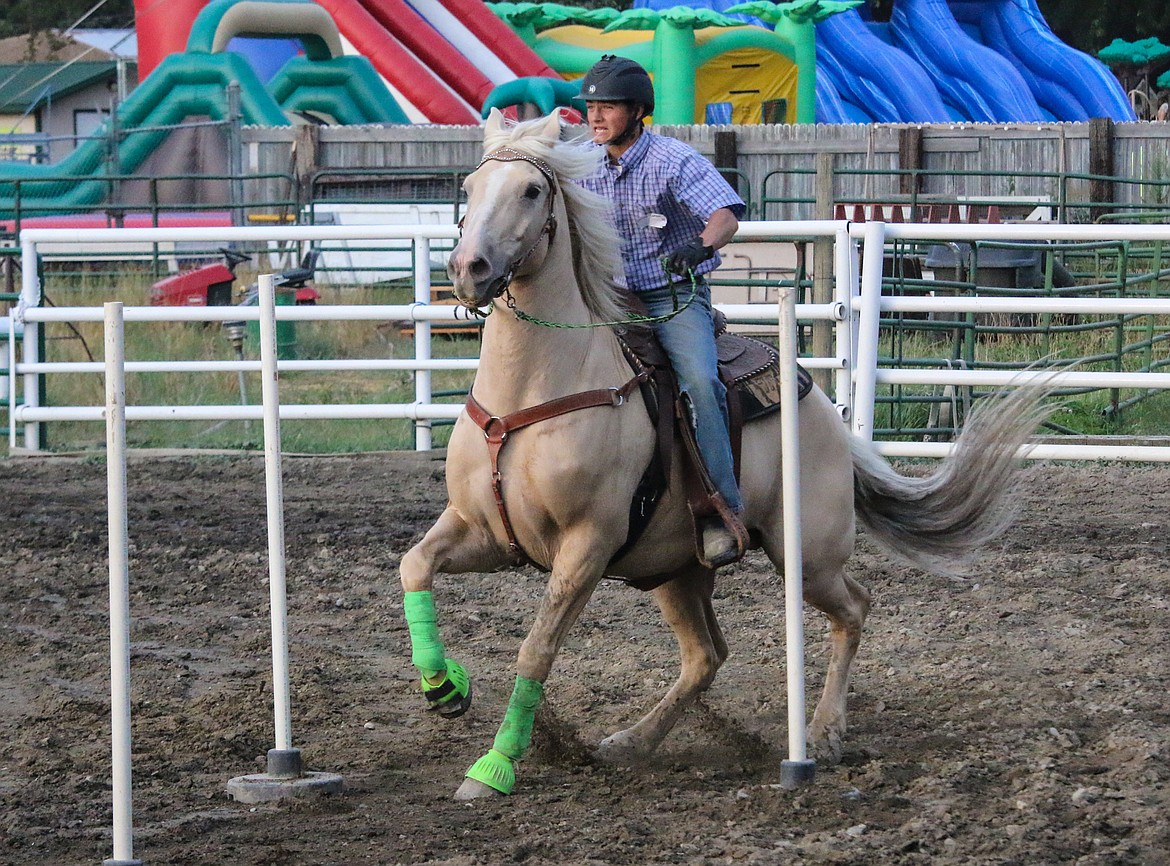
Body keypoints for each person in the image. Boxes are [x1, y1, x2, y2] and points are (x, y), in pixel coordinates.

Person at [577, 54, 748, 569]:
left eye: (607, 106)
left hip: (670, 295)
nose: (596, 117)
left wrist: (700, 245)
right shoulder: (580, 162)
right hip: (605, 297)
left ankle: (723, 508)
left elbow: (725, 214)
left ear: (637, 110)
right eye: (590, 107)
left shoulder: (674, 160)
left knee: (698, 380)